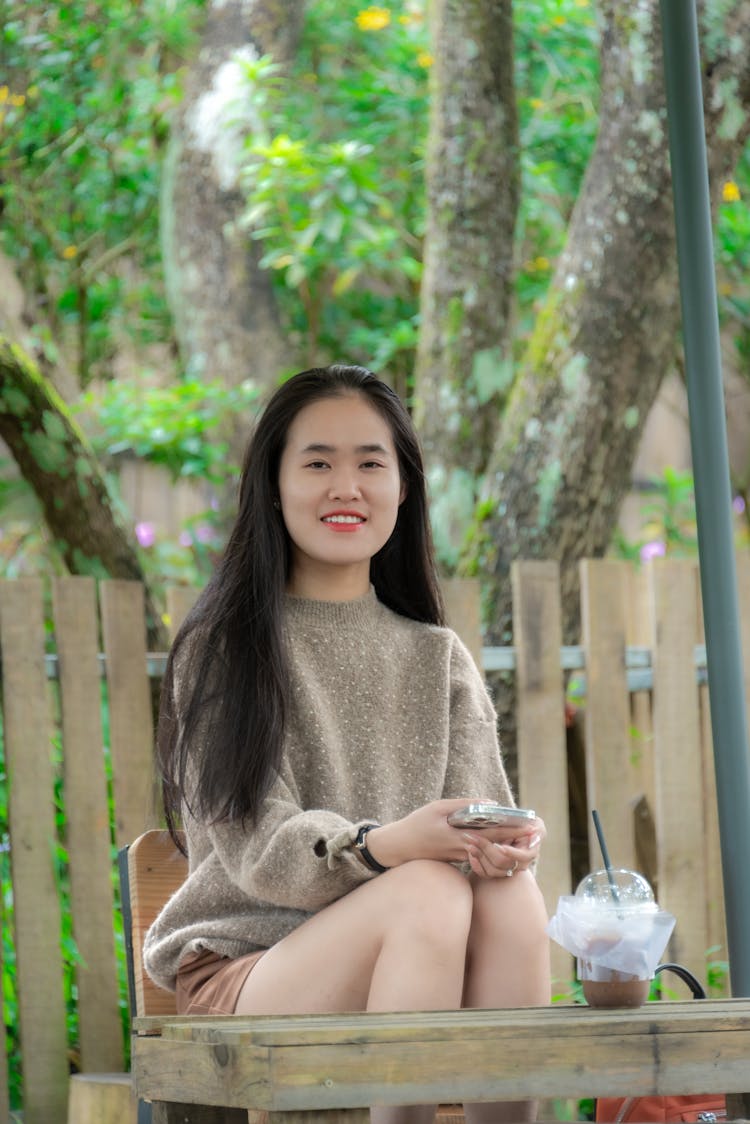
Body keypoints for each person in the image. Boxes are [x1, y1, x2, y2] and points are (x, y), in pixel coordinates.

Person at [144, 364, 551, 1124]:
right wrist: (386, 846)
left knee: (515, 901)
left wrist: (502, 842)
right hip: (250, 970)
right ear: (272, 485)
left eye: (370, 463)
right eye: (318, 463)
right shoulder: (224, 648)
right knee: (426, 891)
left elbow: (473, 827)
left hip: (420, 952)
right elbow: (260, 848)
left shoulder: (437, 656)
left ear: (403, 488)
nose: (346, 487)